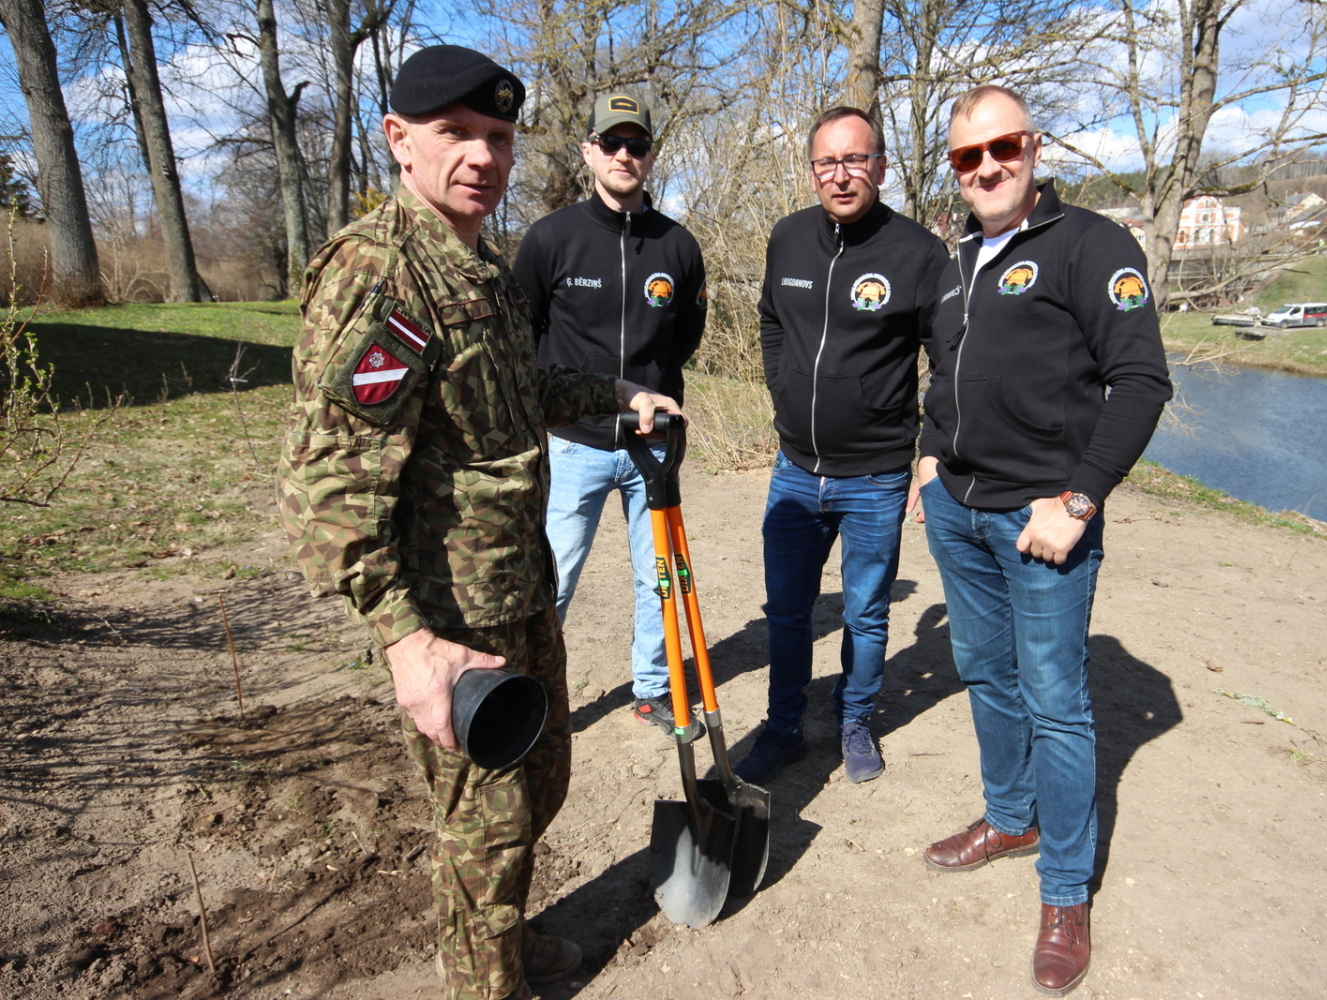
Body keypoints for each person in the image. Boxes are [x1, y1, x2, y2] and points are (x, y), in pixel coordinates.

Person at [277, 46, 679, 1000]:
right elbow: (326, 483)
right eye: (455, 133)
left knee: (540, 787)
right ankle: (483, 977)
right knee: (484, 826)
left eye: (497, 136)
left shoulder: (482, 265)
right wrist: (406, 643)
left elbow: (513, 388)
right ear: (399, 139)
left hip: (518, 586)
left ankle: (505, 931)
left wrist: (617, 391)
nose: (481, 157)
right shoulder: (384, 275)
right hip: (453, 620)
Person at [910, 85, 1171, 996]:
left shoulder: (1092, 245)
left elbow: (1141, 381)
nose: (987, 167)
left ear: (1034, 146)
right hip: (959, 513)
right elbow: (950, 374)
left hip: (1042, 523)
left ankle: (1065, 892)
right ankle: (1008, 816)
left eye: (1003, 148)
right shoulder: (956, 262)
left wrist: (1081, 499)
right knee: (985, 673)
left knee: (1057, 703)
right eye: (967, 157)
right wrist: (930, 458)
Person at [735, 106, 950, 785]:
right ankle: (784, 726)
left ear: (881, 166)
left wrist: (930, 453)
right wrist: (783, 388)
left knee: (865, 613)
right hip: (795, 469)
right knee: (789, 610)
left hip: (876, 476)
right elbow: (771, 321)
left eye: (856, 159)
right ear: (812, 170)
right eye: (827, 162)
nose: (841, 174)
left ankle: (855, 718)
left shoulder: (918, 253)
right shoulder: (788, 237)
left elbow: (949, 363)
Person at [513, 93, 707, 741]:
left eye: (638, 145)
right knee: (554, 576)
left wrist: (651, 388)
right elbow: (523, 337)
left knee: (659, 579)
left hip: (654, 447)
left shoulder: (678, 247)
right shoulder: (550, 239)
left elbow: (685, 337)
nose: (626, 155)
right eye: (612, 143)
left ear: (652, 155)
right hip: (575, 445)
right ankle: (528, 696)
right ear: (589, 151)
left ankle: (653, 688)